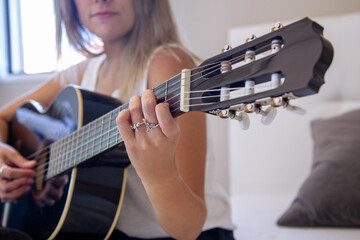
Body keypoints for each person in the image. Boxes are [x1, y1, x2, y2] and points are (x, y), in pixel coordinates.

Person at [0, 0, 234, 239]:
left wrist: (159, 174)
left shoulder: (168, 63)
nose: (100, 0)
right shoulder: (83, 72)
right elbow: (3, 117)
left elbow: (188, 228)